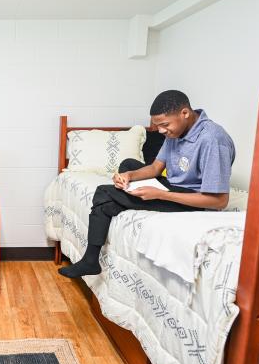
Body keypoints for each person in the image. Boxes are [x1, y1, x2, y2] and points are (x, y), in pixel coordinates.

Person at [58, 90, 235, 278]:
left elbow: (219, 201)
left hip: (193, 202)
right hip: (172, 187)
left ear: (185, 113)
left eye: (165, 125)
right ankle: (121, 200)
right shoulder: (176, 131)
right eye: (158, 126)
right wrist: (128, 175)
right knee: (128, 164)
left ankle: (90, 261)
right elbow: (155, 168)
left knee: (104, 193)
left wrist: (160, 195)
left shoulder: (213, 139)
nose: (161, 131)